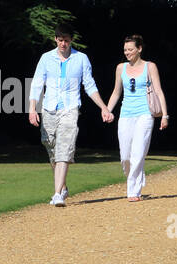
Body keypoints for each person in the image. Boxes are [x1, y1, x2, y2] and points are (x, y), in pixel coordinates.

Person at [28, 23, 113, 206]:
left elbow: (89, 85)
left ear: (71, 40)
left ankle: (57, 194)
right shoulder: (46, 58)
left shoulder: (81, 59)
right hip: (48, 109)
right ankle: (63, 187)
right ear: (55, 39)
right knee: (52, 149)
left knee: (64, 149)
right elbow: (36, 84)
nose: (63, 44)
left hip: (70, 109)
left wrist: (103, 107)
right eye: (60, 40)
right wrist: (32, 109)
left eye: (66, 40)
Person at [105, 35, 169, 201]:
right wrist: (107, 110)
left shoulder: (150, 67)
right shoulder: (121, 68)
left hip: (145, 114)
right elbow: (116, 92)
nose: (127, 53)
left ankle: (133, 191)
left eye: (130, 49)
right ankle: (136, 176)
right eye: (125, 50)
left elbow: (159, 91)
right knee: (125, 157)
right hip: (126, 114)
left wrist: (165, 115)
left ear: (139, 49)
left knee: (138, 153)